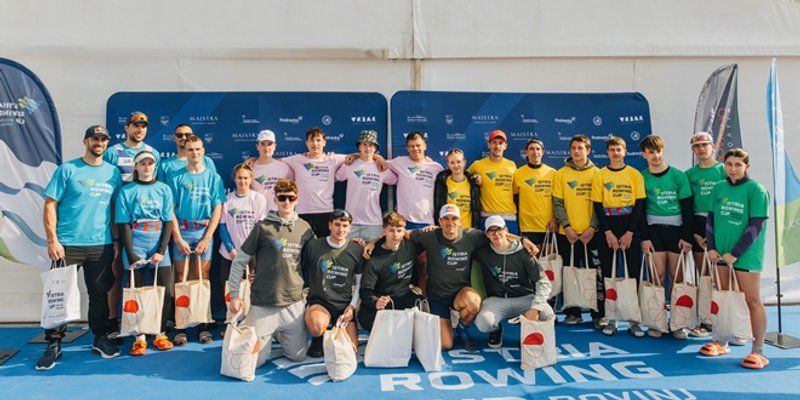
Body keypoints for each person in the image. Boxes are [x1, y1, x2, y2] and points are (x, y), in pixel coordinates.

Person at [36, 125, 123, 370]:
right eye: (95, 138)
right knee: (59, 294)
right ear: (86, 141)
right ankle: (53, 343)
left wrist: (115, 240)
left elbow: (115, 209)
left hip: (100, 243)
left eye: (104, 139)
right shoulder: (68, 169)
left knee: (99, 294)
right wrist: (53, 240)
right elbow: (50, 204)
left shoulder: (113, 173)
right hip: (67, 244)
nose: (100, 142)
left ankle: (100, 337)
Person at [228, 179, 316, 367]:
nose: (286, 202)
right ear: (275, 200)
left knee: (298, 356)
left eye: (291, 198)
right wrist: (234, 296)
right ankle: (268, 332)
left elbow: (317, 258)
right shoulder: (262, 227)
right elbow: (238, 262)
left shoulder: (305, 228)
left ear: (297, 200)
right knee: (255, 362)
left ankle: (278, 333)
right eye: (282, 198)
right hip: (264, 303)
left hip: (293, 303)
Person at [701, 148, 770, 369]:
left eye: (738, 165)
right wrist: (711, 247)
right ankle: (721, 340)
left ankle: (758, 350)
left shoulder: (756, 189)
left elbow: (756, 225)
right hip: (720, 254)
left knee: (752, 300)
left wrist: (736, 253)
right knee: (722, 298)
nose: (733, 168)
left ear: (746, 166)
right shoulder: (719, 187)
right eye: (729, 164)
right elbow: (710, 220)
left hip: (745, 255)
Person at [103, 111, 161, 341]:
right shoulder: (112, 152)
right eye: (136, 125)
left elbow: (158, 189)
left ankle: (145, 322)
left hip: (144, 226)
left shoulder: (153, 153)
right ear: (127, 127)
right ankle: (112, 321)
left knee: (145, 274)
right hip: (117, 220)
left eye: (144, 126)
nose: (140, 130)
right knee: (117, 272)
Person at [114, 150, 175, 355]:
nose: (147, 167)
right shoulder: (127, 191)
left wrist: (161, 250)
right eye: (142, 163)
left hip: (158, 242)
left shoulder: (164, 189)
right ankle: (139, 336)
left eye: (150, 163)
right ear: (136, 167)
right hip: (136, 241)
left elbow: (168, 221)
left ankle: (160, 333)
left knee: (165, 290)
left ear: (155, 166)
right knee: (136, 290)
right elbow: (123, 224)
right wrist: (131, 254)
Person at [166, 135, 225, 345]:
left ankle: (202, 324)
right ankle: (182, 326)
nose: (194, 153)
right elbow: (170, 210)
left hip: (203, 231)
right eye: (190, 150)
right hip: (183, 230)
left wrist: (208, 237)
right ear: (185, 151)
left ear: (203, 151)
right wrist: (178, 237)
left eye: (198, 149)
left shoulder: (213, 177)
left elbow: (218, 208)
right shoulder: (175, 176)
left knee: (202, 277)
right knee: (181, 277)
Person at [639, 134, 694, 339]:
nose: (655, 156)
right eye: (651, 152)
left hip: (677, 233)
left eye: (658, 151)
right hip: (654, 233)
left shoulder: (678, 176)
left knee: (677, 278)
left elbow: (688, 209)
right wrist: (644, 238)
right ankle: (656, 322)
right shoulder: (642, 177)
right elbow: (640, 212)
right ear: (644, 154)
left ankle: (678, 323)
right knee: (657, 277)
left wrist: (687, 237)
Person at [591, 136, 646, 337]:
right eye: (612, 150)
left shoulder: (634, 174)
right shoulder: (600, 175)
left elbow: (639, 205)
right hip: (608, 227)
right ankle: (611, 318)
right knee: (609, 275)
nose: (616, 153)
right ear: (607, 153)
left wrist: (630, 232)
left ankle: (634, 320)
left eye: (619, 150)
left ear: (625, 152)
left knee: (632, 274)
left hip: (630, 225)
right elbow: (597, 205)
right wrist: (607, 232)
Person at [473, 216, 554, 349]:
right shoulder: (482, 252)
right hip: (497, 300)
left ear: (506, 230)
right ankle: (496, 330)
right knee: (483, 323)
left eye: (499, 229)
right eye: (491, 231)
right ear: (487, 234)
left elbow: (544, 283)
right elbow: (460, 233)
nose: (496, 234)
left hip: (524, 298)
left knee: (547, 314)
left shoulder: (524, 252)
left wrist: (535, 308)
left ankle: (530, 330)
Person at [552, 134, 603, 328]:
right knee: (569, 275)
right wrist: (567, 226)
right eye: (573, 148)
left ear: (588, 150)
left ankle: (598, 313)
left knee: (595, 275)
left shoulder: (598, 174)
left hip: (592, 235)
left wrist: (592, 227)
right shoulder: (561, 174)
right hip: (568, 236)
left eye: (580, 148)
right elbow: (557, 203)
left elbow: (600, 204)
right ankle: (572, 313)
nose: (576, 151)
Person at [303, 209, 363, 358]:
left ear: (350, 228)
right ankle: (320, 337)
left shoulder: (356, 249)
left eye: (344, 226)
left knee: (350, 352)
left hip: (344, 306)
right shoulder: (314, 246)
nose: (340, 229)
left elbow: (360, 283)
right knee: (317, 326)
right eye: (337, 224)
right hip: (320, 302)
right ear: (329, 225)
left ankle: (336, 328)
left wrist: (351, 307)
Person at [684, 131, 727, 338]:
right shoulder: (690, 175)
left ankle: (726, 320)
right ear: (693, 149)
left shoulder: (723, 170)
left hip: (720, 224)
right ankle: (706, 320)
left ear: (713, 147)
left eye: (705, 145)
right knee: (704, 275)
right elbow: (687, 206)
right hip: (699, 224)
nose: (701, 149)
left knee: (722, 275)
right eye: (697, 146)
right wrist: (694, 233)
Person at [357, 211, 424, 332]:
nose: (395, 235)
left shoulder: (411, 246)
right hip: (381, 299)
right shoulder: (373, 256)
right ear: (384, 231)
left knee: (423, 310)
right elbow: (365, 291)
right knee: (378, 325)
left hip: (403, 295)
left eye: (399, 230)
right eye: (391, 230)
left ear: (404, 231)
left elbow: (435, 236)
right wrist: (376, 301)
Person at [281, 127, 348, 237]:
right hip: (302, 213)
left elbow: (358, 157)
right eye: (312, 140)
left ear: (324, 143)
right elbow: (275, 161)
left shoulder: (332, 159)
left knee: (322, 249)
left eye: (318, 140)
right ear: (306, 143)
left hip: (325, 212)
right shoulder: (297, 159)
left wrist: (378, 158)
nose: (315, 144)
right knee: (302, 250)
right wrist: (254, 159)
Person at [218, 163, 268, 306]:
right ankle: (231, 323)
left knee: (251, 291)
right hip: (229, 255)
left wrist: (249, 251)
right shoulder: (227, 200)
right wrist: (231, 250)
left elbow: (260, 227)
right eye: (239, 178)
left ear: (251, 178)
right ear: (234, 179)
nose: (243, 181)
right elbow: (222, 227)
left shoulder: (258, 199)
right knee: (229, 292)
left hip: (252, 254)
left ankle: (250, 323)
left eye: (246, 178)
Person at [335, 129, 397, 241]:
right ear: (359, 147)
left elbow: (394, 180)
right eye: (364, 144)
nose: (368, 148)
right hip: (350, 222)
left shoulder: (381, 167)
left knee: (372, 257)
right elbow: (338, 176)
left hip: (373, 223)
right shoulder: (350, 164)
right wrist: (354, 156)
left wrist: (381, 160)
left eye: (371, 145)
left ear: (375, 148)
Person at [388, 131, 444, 229]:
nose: (415, 149)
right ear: (407, 148)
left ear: (425, 146)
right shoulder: (400, 162)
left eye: (418, 145)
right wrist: (356, 156)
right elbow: (378, 162)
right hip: (403, 221)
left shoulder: (436, 167)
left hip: (427, 222)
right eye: (412, 146)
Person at [468, 130, 519, 233]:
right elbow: (462, 178)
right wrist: (473, 177)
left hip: (509, 218)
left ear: (505, 146)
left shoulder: (511, 165)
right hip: (488, 217)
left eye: (501, 143)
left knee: (513, 248)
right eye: (494, 143)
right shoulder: (478, 165)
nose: (497, 146)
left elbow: (515, 191)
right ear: (488, 145)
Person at [514, 138, 558, 244]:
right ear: (526, 152)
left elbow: (558, 200)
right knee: (532, 260)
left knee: (549, 259)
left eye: (538, 149)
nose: (535, 152)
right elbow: (513, 198)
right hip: (528, 226)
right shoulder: (518, 173)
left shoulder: (553, 173)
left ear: (543, 152)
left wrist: (555, 219)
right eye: (531, 149)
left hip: (549, 225)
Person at [248, 129, 294, 214]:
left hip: (280, 216)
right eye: (263, 144)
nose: (266, 148)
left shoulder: (284, 167)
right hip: (258, 216)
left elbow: (293, 192)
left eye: (269, 144)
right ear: (257, 146)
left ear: (275, 146)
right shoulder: (250, 168)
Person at [433, 148, 480, 229]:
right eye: (452, 162)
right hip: (449, 232)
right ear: (448, 164)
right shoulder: (441, 182)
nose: (456, 165)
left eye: (458, 162)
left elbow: (475, 210)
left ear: (464, 162)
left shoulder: (472, 182)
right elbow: (438, 210)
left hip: (467, 232)